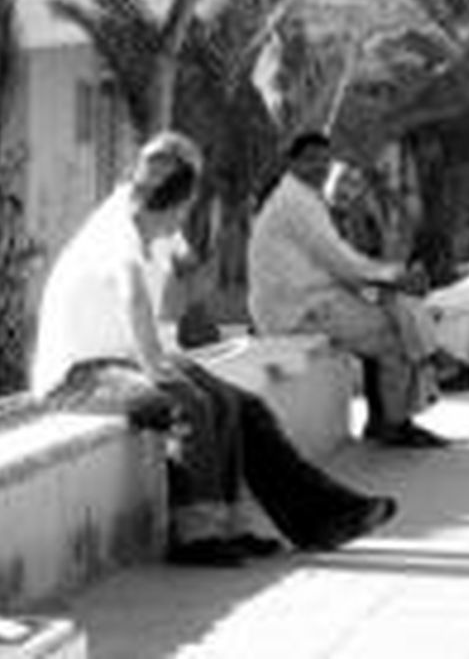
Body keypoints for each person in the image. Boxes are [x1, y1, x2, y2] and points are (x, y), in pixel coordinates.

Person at [28, 131, 397, 567]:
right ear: (164, 192)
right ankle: (196, 536)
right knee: (190, 403)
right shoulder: (117, 229)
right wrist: (157, 366)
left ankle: (317, 517)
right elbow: (133, 295)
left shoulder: (157, 225)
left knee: (239, 404)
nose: (184, 216)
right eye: (183, 202)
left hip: (124, 358)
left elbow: (183, 289)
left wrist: (208, 260)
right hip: (78, 375)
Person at [249, 132, 451, 448]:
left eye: (324, 159)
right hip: (299, 309)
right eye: (310, 159)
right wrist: (394, 276)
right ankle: (398, 419)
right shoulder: (295, 202)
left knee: (397, 307)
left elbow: (343, 262)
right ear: (292, 162)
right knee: (396, 337)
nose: (320, 166)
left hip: (316, 297)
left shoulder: (306, 197)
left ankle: (399, 403)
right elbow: (339, 259)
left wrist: (392, 278)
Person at [323, 159, 469, 395]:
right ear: (328, 181)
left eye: (356, 184)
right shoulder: (320, 218)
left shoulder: (353, 217)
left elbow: (372, 255)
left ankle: (440, 365)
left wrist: (398, 273)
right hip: (328, 294)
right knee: (400, 303)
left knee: (402, 298)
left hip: (353, 288)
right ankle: (442, 365)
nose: (348, 189)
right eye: (343, 181)